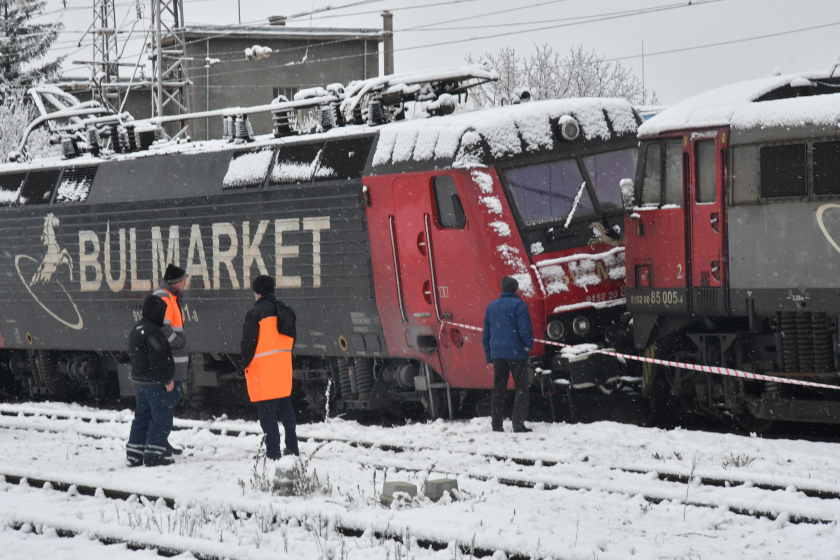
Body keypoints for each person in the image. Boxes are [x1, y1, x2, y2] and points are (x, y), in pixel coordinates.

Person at [240, 275, 299, 459]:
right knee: (286, 408)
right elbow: (292, 340)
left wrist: (244, 364)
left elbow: (248, 344)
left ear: (257, 292)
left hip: (262, 371)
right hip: (282, 368)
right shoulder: (286, 311)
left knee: (268, 414)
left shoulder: (255, 314)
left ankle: (273, 452)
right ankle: (293, 447)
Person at [126, 295, 177, 467]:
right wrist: (167, 378)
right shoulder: (153, 332)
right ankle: (153, 455)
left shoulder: (137, 329)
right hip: (154, 383)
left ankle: (134, 453)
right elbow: (158, 359)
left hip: (139, 382)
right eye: (162, 311)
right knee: (161, 417)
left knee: (141, 416)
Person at [482, 276, 534, 433]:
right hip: (517, 353)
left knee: (498, 389)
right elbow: (525, 330)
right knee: (521, 388)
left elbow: (486, 335)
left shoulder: (491, 306)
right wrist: (528, 346)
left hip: (498, 354)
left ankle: (496, 425)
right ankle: (518, 424)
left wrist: (489, 355)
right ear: (515, 289)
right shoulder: (519, 304)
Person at [152, 264, 190, 456]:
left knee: (168, 403)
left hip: (174, 361)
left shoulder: (171, 296)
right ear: (176, 282)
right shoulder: (164, 297)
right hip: (170, 361)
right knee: (165, 404)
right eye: (184, 280)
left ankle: (161, 441)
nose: (185, 283)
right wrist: (178, 342)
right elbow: (163, 328)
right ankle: (158, 443)